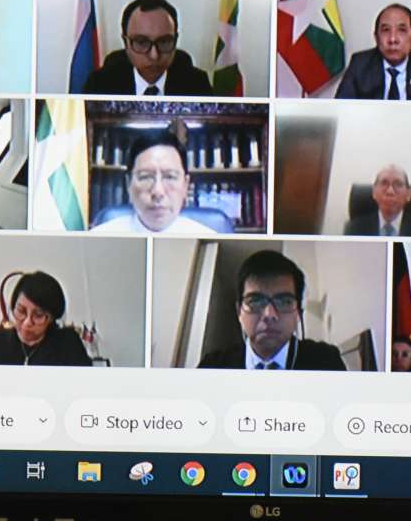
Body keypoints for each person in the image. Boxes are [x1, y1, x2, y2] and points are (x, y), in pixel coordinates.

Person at [198, 249, 347, 370]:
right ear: (239, 312)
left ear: (298, 313)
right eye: (255, 301)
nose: (269, 314)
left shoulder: (327, 361)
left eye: (284, 302)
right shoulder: (212, 366)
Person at [89, 128, 224, 235]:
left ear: (185, 186)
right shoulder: (98, 239)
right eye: (146, 177)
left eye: (170, 177)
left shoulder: (210, 241)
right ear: (128, 185)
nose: (158, 192)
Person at [82, 0, 213, 96]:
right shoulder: (99, 85)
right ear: (125, 42)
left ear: (176, 40)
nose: (154, 55)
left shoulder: (197, 84)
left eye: (164, 42)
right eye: (142, 42)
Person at [0, 271, 94, 366]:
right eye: (21, 311)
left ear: (52, 317)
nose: (27, 322)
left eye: (38, 315)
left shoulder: (68, 344)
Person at [334, 4, 411, 100]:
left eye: (402, 30)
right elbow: (341, 110)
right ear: (376, 37)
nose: (393, 39)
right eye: (386, 30)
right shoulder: (359, 65)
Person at [344, 164, 411, 236]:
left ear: (408, 194)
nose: (390, 191)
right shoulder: (354, 229)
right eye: (384, 183)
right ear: (374, 192)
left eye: (398, 184)